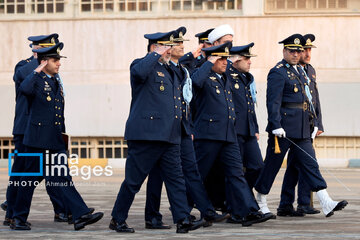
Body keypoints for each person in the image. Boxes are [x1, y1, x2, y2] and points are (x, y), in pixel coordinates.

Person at [109, 30, 203, 234]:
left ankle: (183, 220)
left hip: (170, 135)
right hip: (147, 136)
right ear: (155, 47)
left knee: (176, 179)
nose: (170, 50)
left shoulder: (171, 70)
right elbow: (139, 72)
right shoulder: (141, 65)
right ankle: (118, 219)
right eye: (166, 46)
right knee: (134, 181)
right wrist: (155, 54)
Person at [11, 42, 103, 230]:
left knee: (58, 177)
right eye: (55, 60)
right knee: (30, 180)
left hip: (52, 139)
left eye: (59, 60)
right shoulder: (35, 79)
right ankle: (18, 218)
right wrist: (37, 70)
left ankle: (79, 215)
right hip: (37, 140)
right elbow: (24, 90)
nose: (59, 64)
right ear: (44, 62)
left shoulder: (54, 81)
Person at [254, 34, 348, 218]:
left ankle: (325, 200)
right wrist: (275, 124)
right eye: (292, 51)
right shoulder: (278, 71)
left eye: (298, 51)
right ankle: (260, 200)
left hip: (302, 128)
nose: (296, 54)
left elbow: (309, 100)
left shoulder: (301, 72)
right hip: (283, 129)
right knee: (272, 166)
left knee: (310, 164)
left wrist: (314, 122)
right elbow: (273, 101)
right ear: (284, 51)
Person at [144, 27, 229, 230]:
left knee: (191, 171)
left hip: (182, 127)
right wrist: (193, 55)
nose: (182, 46)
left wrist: (188, 126)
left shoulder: (183, 67)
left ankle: (204, 211)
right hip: (160, 129)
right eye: (177, 44)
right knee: (156, 175)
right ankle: (152, 215)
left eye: (183, 43)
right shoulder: (164, 65)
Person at [191, 42, 273, 226]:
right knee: (197, 174)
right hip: (208, 134)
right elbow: (195, 82)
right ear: (211, 59)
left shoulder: (223, 77)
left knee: (237, 174)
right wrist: (208, 60)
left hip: (228, 135)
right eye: (220, 58)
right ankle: (182, 209)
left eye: (225, 58)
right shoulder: (204, 76)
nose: (224, 62)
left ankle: (249, 211)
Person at [5, 34, 70, 227]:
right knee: (22, 174)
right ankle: (13, 213)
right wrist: (39, 62)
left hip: (48, 130)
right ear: (36, 49)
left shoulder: (51, 70)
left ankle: (62, 210)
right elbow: (23, 81)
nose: (55, 59)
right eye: (46, 50)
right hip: (26, 130)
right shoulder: (25, 66)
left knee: (55, 171)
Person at [278, 34, 323, 216]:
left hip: (307, 125)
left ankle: (303, 203)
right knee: (295, 167)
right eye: (305, 50)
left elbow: (314, 100)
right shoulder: (289, 71)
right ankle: (286, 203)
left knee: (302, 164)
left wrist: (319, 123)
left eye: (309, 50)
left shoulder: (310, 70)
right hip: (292, 125)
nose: (307, 53)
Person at [227, 43, 266, 192]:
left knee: (257, 167)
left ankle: (245, 197)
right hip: (234, 130)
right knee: (235, 171)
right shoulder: (227, 75)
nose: (250, 62)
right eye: (246, 58)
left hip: (248, 130)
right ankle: (236, 205)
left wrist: (255, 128)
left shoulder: (248, 77)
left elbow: (251, 106)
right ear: (236, 60)